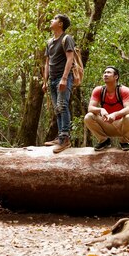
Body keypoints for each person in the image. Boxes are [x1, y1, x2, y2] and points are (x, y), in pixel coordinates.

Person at [42, 14, 75, 153]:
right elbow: (47, 63)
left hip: (63, 78)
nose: (51, 21)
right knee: (57, 108)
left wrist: (64, 78)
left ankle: (65, 138)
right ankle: (61, 135)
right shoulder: (50, 42)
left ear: (60, 24)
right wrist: (45, 81)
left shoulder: (67, 39)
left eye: (54, 19)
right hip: (52, 79)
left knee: (62, 105)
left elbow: (70, 59)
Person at [84, 66, 129, 151]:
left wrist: (115, 114)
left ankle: (123, 141)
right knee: (88, 116)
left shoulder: (124, 90)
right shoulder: (98, 90)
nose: (105, 75)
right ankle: (103, 140)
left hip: (121, 125)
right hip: (106, 123)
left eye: (108, 72)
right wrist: (101, 109)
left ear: (116, 77)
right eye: (104, 73)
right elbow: (90, 108)